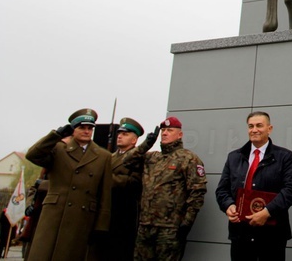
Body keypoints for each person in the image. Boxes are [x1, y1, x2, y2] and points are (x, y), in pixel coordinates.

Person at [25, 108, 113, 261]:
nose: (86, 131)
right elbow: (33, 155)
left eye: (90, 128)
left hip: (82, 218)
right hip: (54, 215)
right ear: (73, 130)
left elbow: (105, 194)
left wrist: (101, 225)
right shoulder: (58, 149)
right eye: (82, 127)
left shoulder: (103, 156)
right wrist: (55, 135)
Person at [215, 111, 292, 260]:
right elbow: (222, 190)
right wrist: (229, 206)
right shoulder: (234, 157)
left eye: (259, 125)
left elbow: (291, 190)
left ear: (269, 128)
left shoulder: (284, 156)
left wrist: (267, 212)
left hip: (272, 234)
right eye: (251, 126)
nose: (254, 130)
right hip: (240, 233)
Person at [126, 116, 207, 261]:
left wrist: (186, 223)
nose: (164, 133)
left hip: (170, 228)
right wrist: (146, 144)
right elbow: (126, 162)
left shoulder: (188, 158)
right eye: (163, 130)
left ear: (180, 134)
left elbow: (197, 192)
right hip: (146, 225)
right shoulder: (151, 157)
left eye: (169, 130)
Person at [108, 117, 144, 261]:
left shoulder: (138, 158)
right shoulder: (109, 157)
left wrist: (107, 179)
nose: (120, 136)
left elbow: (134, 182)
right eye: (119, 133)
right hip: (107, 210)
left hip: (124, 212)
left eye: (125, 134)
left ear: (134, 140)